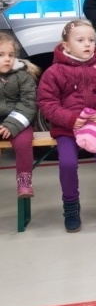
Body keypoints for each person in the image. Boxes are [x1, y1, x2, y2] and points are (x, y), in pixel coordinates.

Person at [37, 20, 96, 232]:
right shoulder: (54, 72)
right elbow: (47, 103)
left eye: (91, 40)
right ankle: (71, 207)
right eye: (81, 40)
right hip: (67, 129)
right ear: (66, 45)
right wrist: (71, 119)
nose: (88, 44)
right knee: (66, 163)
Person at [0, 34, 40, 198]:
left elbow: (28, 102)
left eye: (11, 55)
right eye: (1, 55)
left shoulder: (23, 76)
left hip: (18, 121)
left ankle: (24, 181)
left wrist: (11, 125)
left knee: (24, 143)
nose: (7, 59)